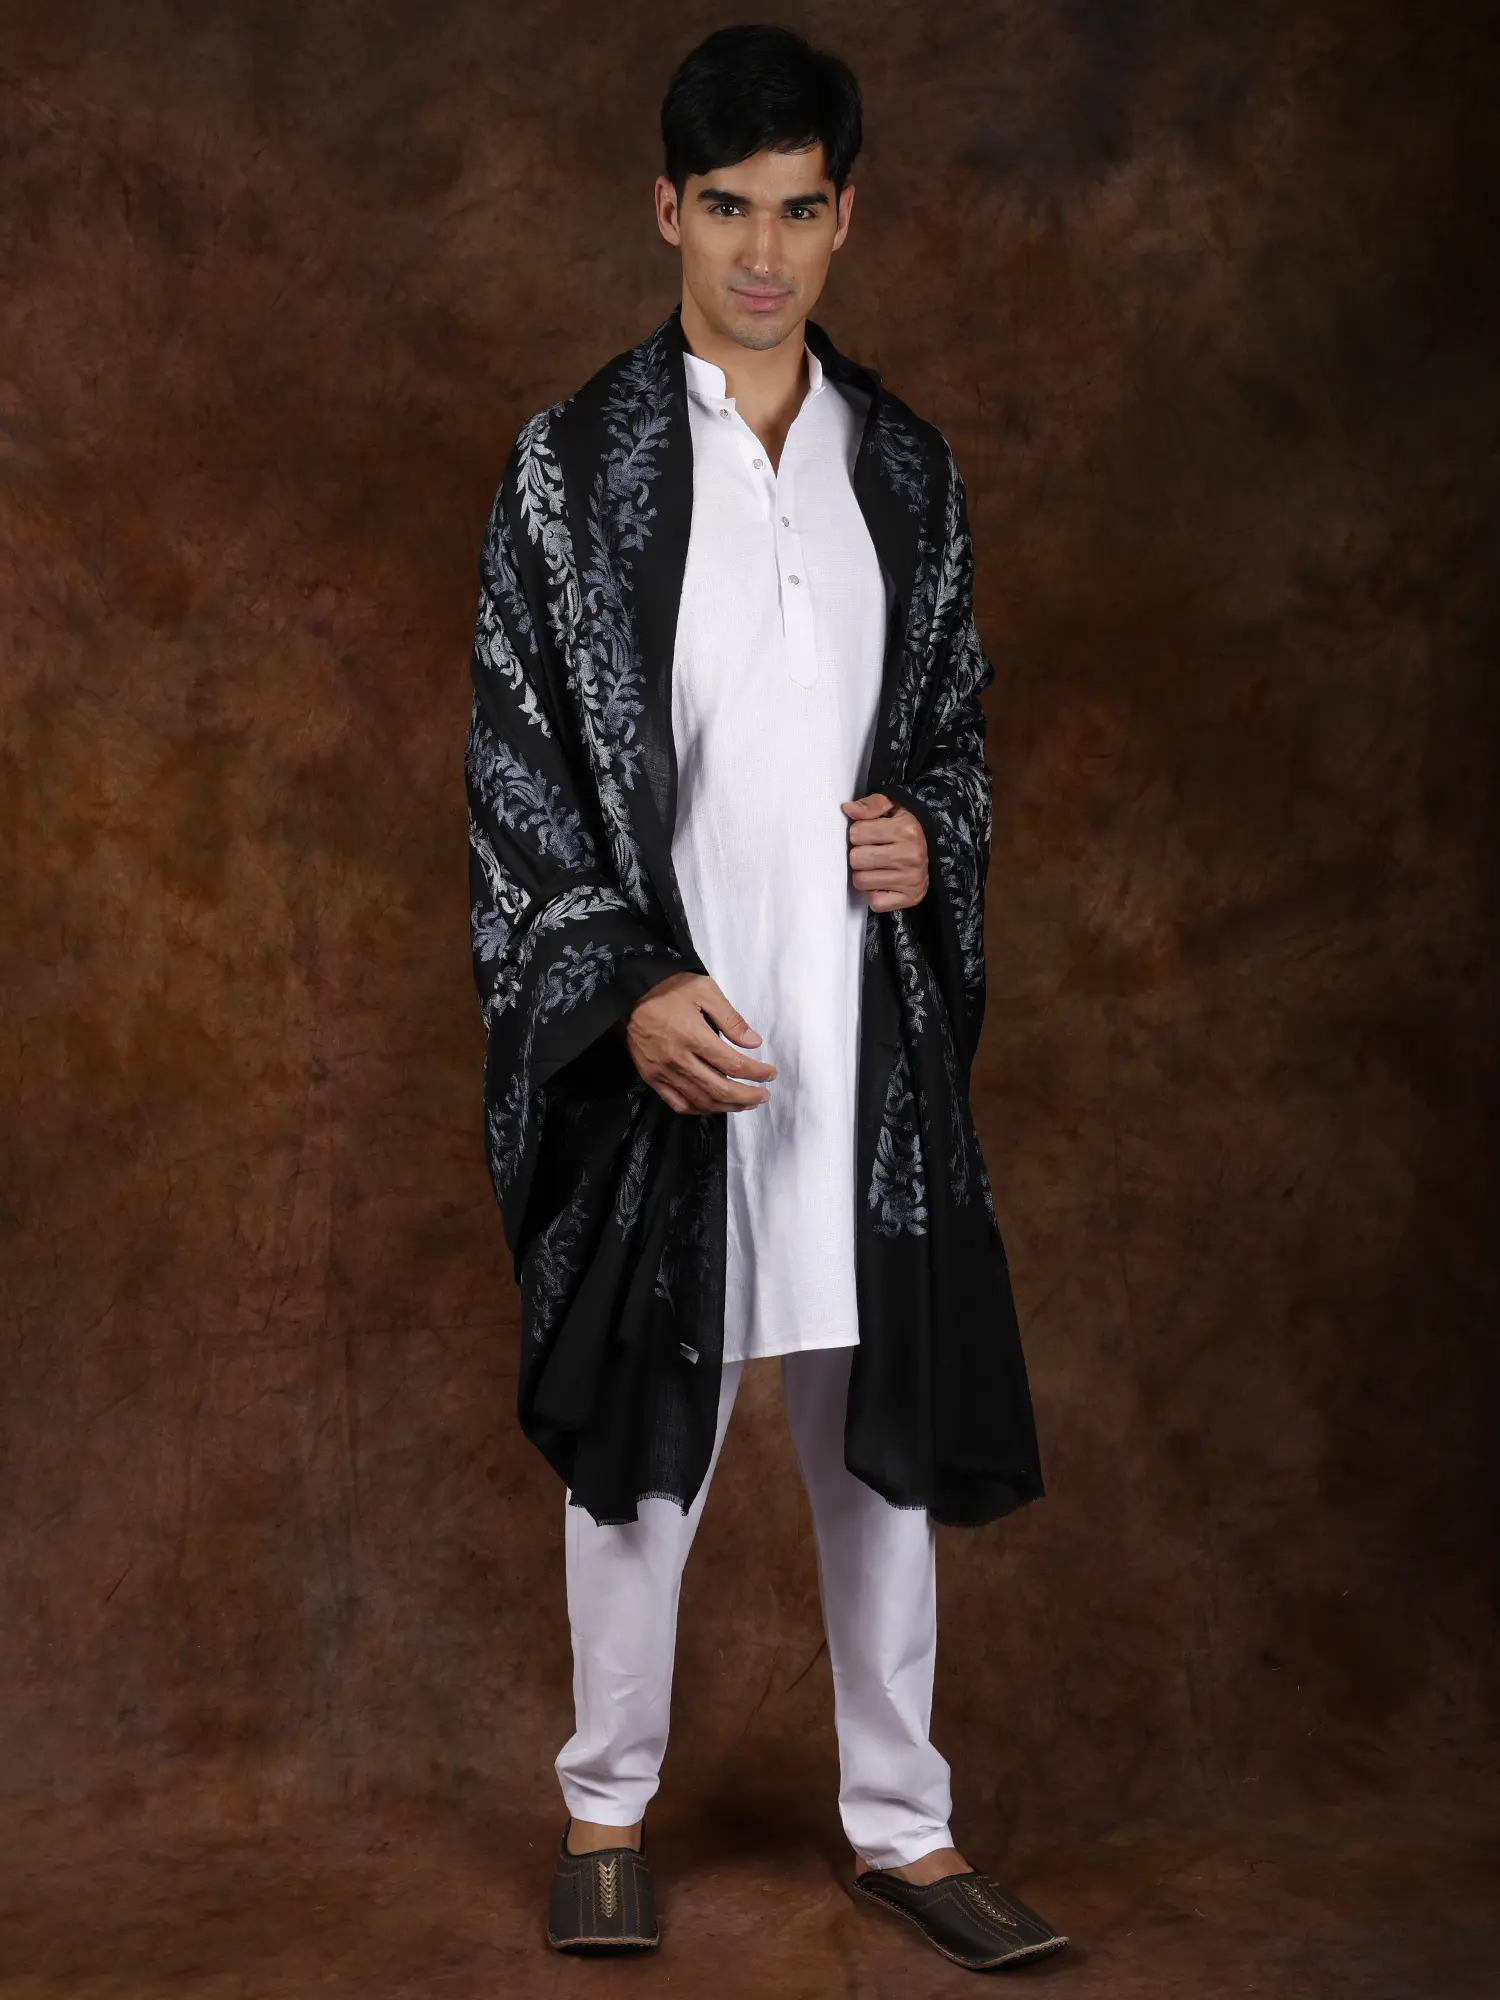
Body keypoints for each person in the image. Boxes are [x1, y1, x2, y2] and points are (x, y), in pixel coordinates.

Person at [464, 22, 1063, 1974]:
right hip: (682, 1051)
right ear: (667, 209)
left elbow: (951, 734)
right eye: (727, 207)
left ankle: (907, 1826)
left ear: (845, 219)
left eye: (800, 211)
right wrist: (627, 991)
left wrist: (931, 841)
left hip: (860, 1054)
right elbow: (520, 787)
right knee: (642, 1453)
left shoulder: (906, 471)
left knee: (877, 1443)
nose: (761, 254)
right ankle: (605, 1809)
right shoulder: (577, 476)